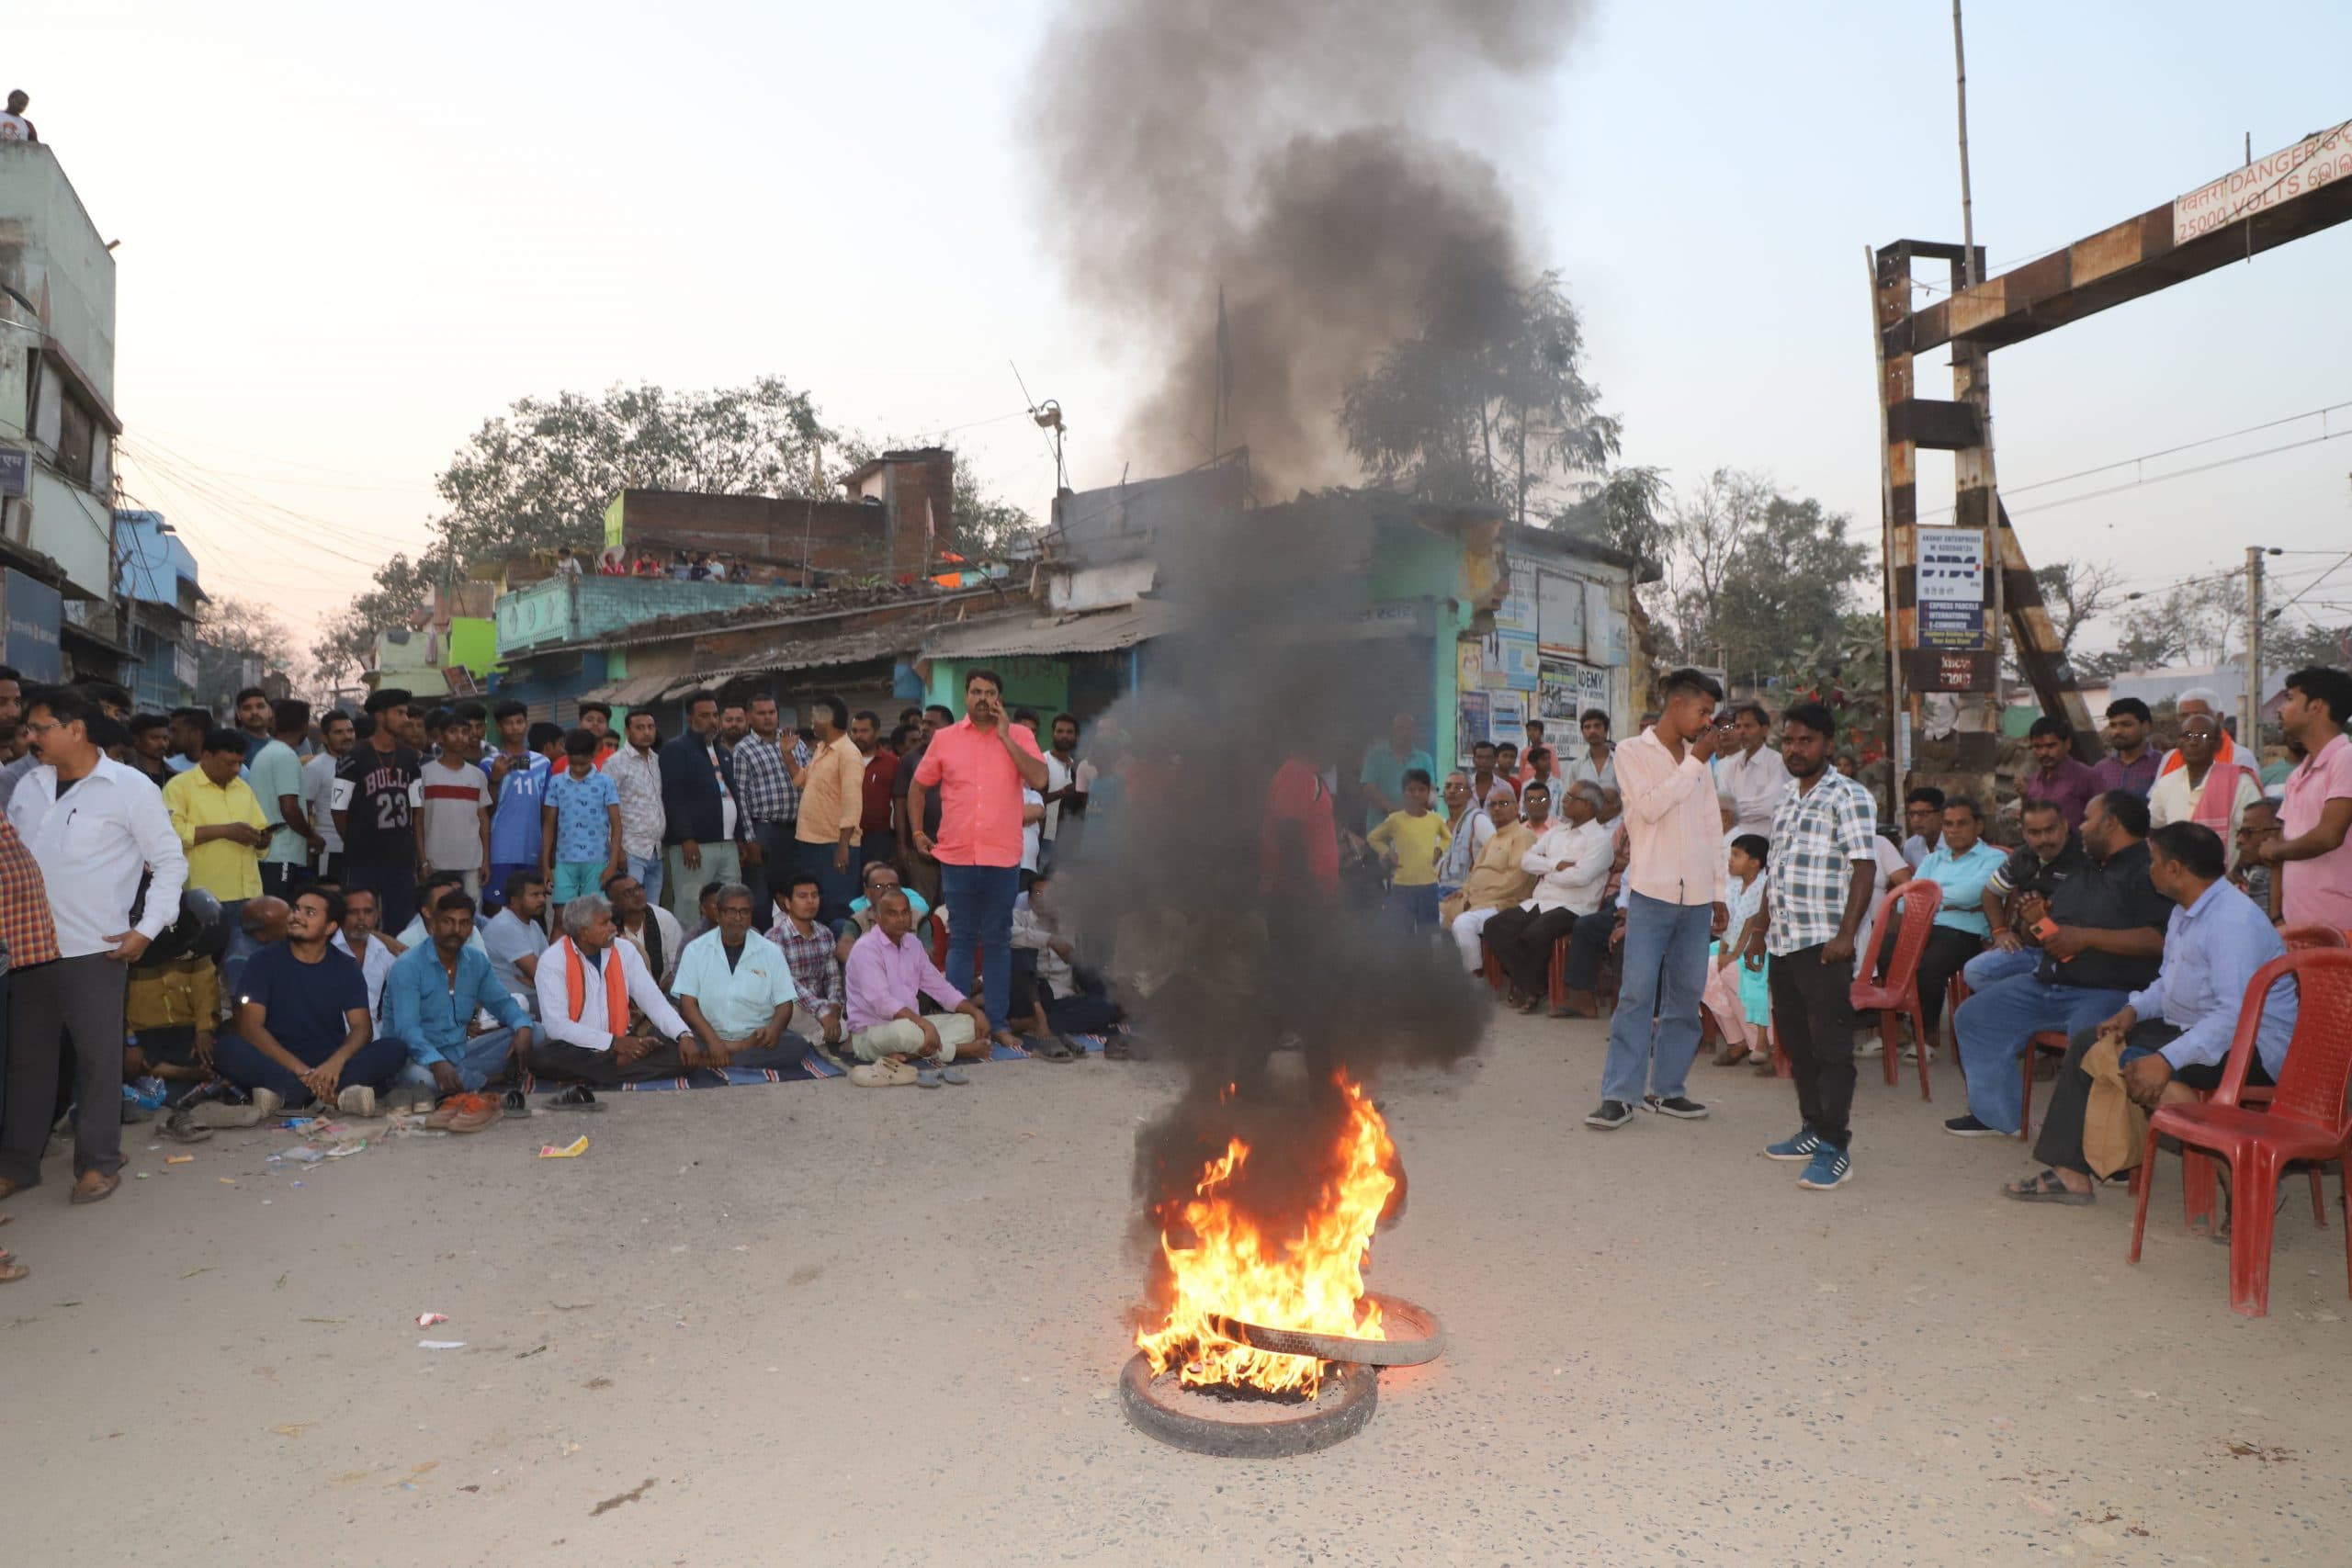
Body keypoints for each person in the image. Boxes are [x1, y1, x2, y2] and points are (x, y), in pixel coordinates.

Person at [2000, 822, 2296, 1206]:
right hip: (2203, 1028)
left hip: (2254, 1046)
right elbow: (2168, 984)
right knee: (2092, 1041)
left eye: (2153, 861)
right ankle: (2070, 1173)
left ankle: (2241, 1177)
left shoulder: (2232, 922)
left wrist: (2166, 1059)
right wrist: (2133, 1010)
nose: (2147, 869)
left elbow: (2233, 1017)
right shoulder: (2186, 910)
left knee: (2141, 1066)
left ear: (2174, 869)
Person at [1946, 789, 2170, 1138]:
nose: (2081, 827)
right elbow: (2048, 935)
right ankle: (1997, 1117)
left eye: (2088, 820)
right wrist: (2035, 923)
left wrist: (2088, 938)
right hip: (2051, 981)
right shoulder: (2087, 867)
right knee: (1975, 1016)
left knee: (2087, 1039)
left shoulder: (2149, 870)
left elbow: (2162, 939)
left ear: (2111, 824)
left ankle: (2092, 1142)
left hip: (2112, 991)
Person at [1746, 702, 1879, 1189]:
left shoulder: (1849, 796)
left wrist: (1845, 936)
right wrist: (1759, 931)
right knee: (1797, 1045)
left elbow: (1864, 866)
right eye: (1789, 740)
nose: (1795, 749)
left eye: (1806, 741)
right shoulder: (1786, 798)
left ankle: (1835, 1147)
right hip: (1783, 941)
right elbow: (1775, 871)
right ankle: (1812, 1128)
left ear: (1828, 744)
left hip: (1824, 944)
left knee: (1831, 1049)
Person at [1589, 670, 1726, 1131]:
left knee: (1685, 997)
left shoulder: (1699, 760)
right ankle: (1619, 1095)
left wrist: (1720, 892)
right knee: (1636, 994)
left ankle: (1668, 1090)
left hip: (1698, 898)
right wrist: (1696, 762)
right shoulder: (1632, 752)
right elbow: (1648, 808)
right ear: (1676, 705)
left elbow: (1712, 828)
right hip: (1651, 893)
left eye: (1711, 714)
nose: (1707, 722)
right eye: (1703, 711)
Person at [908, 669, 1049, 1055]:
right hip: (957, 855)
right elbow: (918, 787)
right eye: (975, 691)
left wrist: (1006, 736)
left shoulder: (1019, 736)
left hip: (1002, 856)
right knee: (962, 939)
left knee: (998, 940)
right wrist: (917, 832)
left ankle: (998, 1024)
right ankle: (961, 1025)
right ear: (966, 697)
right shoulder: (946, 739)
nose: (982, 698)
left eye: (989, 692)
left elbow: (1039, 779)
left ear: (999, 698)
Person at [211, 887, 407, 1118]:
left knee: (395, 1048)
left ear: (330, 927)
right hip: (277, 1059)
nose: (297, 916)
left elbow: (362, 1029)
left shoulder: (346, 966)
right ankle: (337, 1096)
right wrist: (302, 1071)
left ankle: (286, 1094)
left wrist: (335, 1063)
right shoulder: (262, 961)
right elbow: (251, 1028)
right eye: (296, 909)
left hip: (329, 1060)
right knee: (226, 1049)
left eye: (310, 913)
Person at [529, 893, 698, 1097]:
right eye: (605, 924)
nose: (613, 928)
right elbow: (557, 1027)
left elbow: (654, 1001)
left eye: (611, 921)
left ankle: (607, 1069)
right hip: (576, 1049)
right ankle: (617, 1065)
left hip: (623, 1041)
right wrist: (613, 1043)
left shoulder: (625, 950)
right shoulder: (552, 961)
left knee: (681, 1050)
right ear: (583, 932)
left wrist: (683, 1034)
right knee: (543, 1058)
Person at [1484, 780, 1610, 1010]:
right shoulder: (1557, 832)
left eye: (1570, 798)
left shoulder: (1600, 840)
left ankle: (1529, 988)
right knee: (1494, 926)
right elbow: (1527, 860)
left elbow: (1580, 878)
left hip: (1574, 907)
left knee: (1533, 935)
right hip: (1541, 902)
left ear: (1587, 805)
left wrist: (1546, 873)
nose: (1564, 801)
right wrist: (1555, 864)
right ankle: (1534, 986)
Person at [1896, 796, 2007, 1056]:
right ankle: (1893, 1028)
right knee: (1884, 952)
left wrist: (1931, 899)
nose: (1954, 830)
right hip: (1924, 927)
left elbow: (1972, 894)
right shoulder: (1933, 860)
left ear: (1979, 826)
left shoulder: (1994, 857)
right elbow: (1904, 902)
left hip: (1966, 933)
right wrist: (1946, 903)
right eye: (1948, 824)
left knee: (1929, 965)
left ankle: (1927, 1035)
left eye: (1962, 823)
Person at [842, 889, 987, 1081]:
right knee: (906, 1033)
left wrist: (976, 1013)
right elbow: (882, 1002)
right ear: (877, 918)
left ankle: (910, 1054)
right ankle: (958, 1050)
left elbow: (940, 988)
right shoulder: (866, 949)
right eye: (892, 913)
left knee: (969, 1024)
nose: (900, 919)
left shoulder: (913, 943)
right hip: (871, 1032)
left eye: (905, 912)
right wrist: (924, 1024)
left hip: (914, 1024)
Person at [672, 883, 813, 1072]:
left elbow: (785, 1003)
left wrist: (773, 1029)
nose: (738, 918)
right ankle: (731, 1054)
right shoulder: (695, 950)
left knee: (796, 1045)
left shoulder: (770, 951)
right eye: (731, 911)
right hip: (707, 1035)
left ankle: (712, 1060)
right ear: (718, 914)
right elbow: (687, 1005)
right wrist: (713, 1041)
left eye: (744, 912)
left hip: (756, 1038)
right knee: (671, 1041)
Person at [2256, 664, 2352, 932]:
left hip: (2341, 927)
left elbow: (2328, 836)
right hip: (2298, 929)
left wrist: (2275, 850)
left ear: (2316, 707)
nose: (2280, 709)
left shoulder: (2346, 758)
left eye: (2289, 698)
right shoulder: (2298, 774)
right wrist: (2277, 917)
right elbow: (2283, 843)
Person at [1968, 798, 2086, 993]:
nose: (2044, 839)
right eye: (2034, 833)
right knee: (1975, 971)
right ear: (2024, 833)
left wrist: (2038, 921)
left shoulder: (2084, 856)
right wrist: (2000, 932)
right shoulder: (2022, 856)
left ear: (2065, 825)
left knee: (2042, 982)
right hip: (2028, 947)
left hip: (2068, 951)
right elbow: (1990, 892)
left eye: (2050, 830)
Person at [334, 688, 424, 934]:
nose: (406, 719)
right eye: (399, 713)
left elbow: (417, 809)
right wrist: (354, 841)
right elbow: (338, 809)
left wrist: (421, 858)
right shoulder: (353, 757)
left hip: (401, 858)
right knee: (358, 922)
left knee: (402, 925)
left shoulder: (410, 757)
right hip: (362, 859)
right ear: (380, 716)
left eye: (406, 713)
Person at [659, 691, 749, 926]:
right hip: (695, 847)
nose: (712, 721)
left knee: (732, 903)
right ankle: (688, 949)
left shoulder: (722, 751)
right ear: (690, 719)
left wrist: (739, 837)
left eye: (715, 715)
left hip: (727, 844)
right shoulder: (676, 749)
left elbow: (732, 795)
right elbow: (673, 797)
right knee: (691, 905)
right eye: (705, 715)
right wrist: (686, 838)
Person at [163, 728, 269, 910]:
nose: (236, 769)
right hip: (206, 897)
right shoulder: (179, 787)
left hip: (250, 893)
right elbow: (171, 835)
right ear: (206, 756)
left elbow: (260, 830)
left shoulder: (243, 788)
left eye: (240, 763)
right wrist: (225, 831)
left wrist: (262, 840)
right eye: (229, 763)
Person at [2146, 712, 2263, 871]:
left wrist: (2238, 869)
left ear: (2218, 744)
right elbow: (2153, 827)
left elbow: (2256, 833)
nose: (2193, 742)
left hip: (2226, 879)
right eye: (2187, 736)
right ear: (2179, 742)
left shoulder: (2239, 782)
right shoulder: (2167, 783)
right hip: (2177, 880)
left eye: (2202, 736)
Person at [1444, 788, 1537, 974]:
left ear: (1516, 808)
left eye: (1503, 804)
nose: (1496, 809)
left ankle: (1474, 977)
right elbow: (1475, 873)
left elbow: (1516, 880)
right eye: (1492, 805)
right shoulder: (1492, 839)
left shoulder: (1523, 836)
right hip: (1475, 900)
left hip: (1503, 904)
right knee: (1433, 915)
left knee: (1464, 924)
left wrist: (1478, 898)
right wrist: (1463, 891)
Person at [731, 692, 801, 931]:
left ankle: (792, 943)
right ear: (749, 717)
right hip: (764, 830)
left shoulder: (794, 742)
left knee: (795, 894)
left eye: (772, 712)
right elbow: (740, 796)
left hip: (798, 831)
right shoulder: (744, 749)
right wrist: (749, 839)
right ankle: (760, 943)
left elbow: (810, 780)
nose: (768, 718)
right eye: (761, 713)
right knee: (761, 898)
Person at [789, 694, 864, 923]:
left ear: (827, 719)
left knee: (837, 908)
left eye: (814, 717)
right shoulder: (822, 748)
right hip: (810, 840)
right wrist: (786, 754)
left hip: (834, 844)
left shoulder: (848, 753)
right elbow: (801, 780)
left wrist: (843, 846)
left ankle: (841, 946)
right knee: (813, 907)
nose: (811, 723)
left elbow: (853, 803)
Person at [1704, 834, 1772, 1066]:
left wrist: (1731, 956)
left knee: (1731, 971)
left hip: (1758, 947)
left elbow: (1749, 926)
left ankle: (1760, 1041)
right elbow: (1729, 926)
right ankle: (1736, 1040)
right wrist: (1723, 952)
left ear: (1754, 863)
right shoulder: (1734, 887)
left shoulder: (1763, 885)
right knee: (1703, 969)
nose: (1730, 860)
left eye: (1736, 855)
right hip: (1732, 943)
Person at [764, 870, 846, 1050]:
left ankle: (805, 1039)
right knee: (788, 1011)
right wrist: (822, 1012)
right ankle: (809, 1038)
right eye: (802, 896)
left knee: (844, 1028)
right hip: (789, 1005)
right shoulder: (775, 936)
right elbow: (786, 982)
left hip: (818, 1005)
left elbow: (832, 977)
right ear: (788, 903)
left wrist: (834, 1005)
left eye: (814, 896)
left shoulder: (825, 933)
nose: (810, 901)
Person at [540, 728, 623, 908]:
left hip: (597, 860)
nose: (578, 769)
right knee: (561, 912)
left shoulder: (605, 783)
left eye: (583, 764)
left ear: (593, 755)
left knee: (593, 913)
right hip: (564, 860)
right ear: (566, 754)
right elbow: (549, 825)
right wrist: (545, 865)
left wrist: (612, 864)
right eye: (573, 763)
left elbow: (616, 825)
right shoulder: (557, 782)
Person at [482, 699, 549, 904]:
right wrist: (495, 780)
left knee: (531, 909)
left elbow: (547, 814)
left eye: (519, 722)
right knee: (497, 906)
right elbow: (485, 812)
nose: (515, 728)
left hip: (532, 849)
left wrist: (546, 854)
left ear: (526, 724)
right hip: (499, 852)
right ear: (499, 727)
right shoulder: (488, 763)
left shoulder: (542, 763)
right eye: (508, 723)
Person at [417, 718, 492, 898]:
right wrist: (422, 860)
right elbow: (417, 819)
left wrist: (485, 861)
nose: (460, 737)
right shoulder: (424, 774)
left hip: (471, 862)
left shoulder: (478, 776)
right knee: (437, 909)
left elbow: (483, 819)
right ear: (441, 738)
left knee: (471, 910)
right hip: (435, 862)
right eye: (453, 731)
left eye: (464, 732)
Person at [1367, 769, 1447, 931]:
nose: (1416, 794)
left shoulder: (1436, 820)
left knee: (1428, 932)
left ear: (1428, 793)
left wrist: (1439, 850)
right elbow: (1373, 838)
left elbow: (1447, 838)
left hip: (1429, 886)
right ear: (1404, 792)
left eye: (1422, 790)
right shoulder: (1396, 820)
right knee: (1401, 932)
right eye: (1411, 790)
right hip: (1402, 887)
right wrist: (1387, 852)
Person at [602, 709, 667, 906]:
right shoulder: (615, 763)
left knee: (652, 909)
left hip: (655, 849)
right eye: (640, 728)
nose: (646, 732)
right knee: (630, 906)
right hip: (630, 850)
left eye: (650, 727)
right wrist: (617, 850)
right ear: (627, 731)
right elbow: (605, 809)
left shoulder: (657, 760)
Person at [252, 700, 316, 898]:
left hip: (268, 853)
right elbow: (289, 808)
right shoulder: (286, 756)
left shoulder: (266, 753)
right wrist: (311, 836)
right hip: (281, 854)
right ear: (304, 726)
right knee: (280, 910)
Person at [893, 704, 954, 907]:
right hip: (920, 847)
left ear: (948, 728)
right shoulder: (910, 759)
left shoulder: (961, 756)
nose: (924, 728)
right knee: (921, 903)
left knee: (951, 904)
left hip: (955, 847)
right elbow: (900, 804)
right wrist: (903, 845)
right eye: (923, 723)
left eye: (931, 724)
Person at [1712, 702, 1789, 843]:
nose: (1742, 731)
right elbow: (1723, 807)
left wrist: (1734, 808)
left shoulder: (1777, 763)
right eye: (1738, 726)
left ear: (1764, 730)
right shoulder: (1730, 766)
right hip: (1732, 844)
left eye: (1748, 726)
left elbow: (1770, 807)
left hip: (1764, 844)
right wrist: (1748, 807)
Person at [602, 869, 684, 994]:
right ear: (613, 903)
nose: (637, 894)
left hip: (663, 991)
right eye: (628, 893)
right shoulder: (607, 927)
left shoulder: (664, 918)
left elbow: (679, 966)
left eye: (639, 888)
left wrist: (655, 993)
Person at [482, 870, 549, 1017]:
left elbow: (551, 967)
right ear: (514, 900)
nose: (542, 900)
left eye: (543, 894)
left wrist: (537, 981)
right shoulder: (505, 925)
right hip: (509, 1001)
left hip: (532, 995)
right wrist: (539, 980)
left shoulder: (533, 925)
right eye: (534, 895)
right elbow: (540, 973)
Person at [330, 884, 400, 1021]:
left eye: (368, 911)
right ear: (340, 915)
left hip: (372, 1032)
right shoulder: (324, 948)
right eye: (353, 912)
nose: (361, 918)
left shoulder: (383, 952)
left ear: (377, 915)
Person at [1358, 712, 1436, 834]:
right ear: (1392, 730)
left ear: (1414, 732)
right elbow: (1368, 788)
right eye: (1400, 728)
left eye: (1408, 729)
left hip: (1414, 830)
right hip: (1381, 830)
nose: (1404, 733)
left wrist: (1424, 808)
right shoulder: (1376, 755)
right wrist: (1392, 810)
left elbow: (1432, 791)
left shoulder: (1424, 759)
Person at [2020, 716, 2100, 831]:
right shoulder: (2034, 781)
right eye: (2038, 747)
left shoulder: (2087, 777)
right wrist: (2024, 796)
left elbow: (2101, 821)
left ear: (2067, 744)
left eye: (2051, 746)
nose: (2044, 752)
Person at [302, 707, 355, 881]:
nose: (347, 736)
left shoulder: (361, 763)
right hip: (329, 849)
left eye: (350, 731)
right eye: (338, 732)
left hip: (360, 850)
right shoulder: (315, 768)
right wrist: (311, 840)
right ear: (324, 737)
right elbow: (304, 808)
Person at [847, 709, 901, 874]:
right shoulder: (843, 760)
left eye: (864, 731)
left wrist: (899, 843)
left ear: (877, 732)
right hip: (845, 837)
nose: (858, 736)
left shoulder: (892, 763)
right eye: (854, 731)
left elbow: (899, 804)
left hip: (879, 839)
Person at [2089, 697, 2160, 797]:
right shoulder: (2101, 769)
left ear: (2145, 727)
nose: (2117, 731)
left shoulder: (2162, 765)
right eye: (2113, 725)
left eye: (2126, 725)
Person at [2232, 798, 2283, 920]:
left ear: (2278, 832)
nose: (2239, 840)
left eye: (2249, 832)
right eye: (2239, 832)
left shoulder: (2265, 877)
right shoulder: (2247, 873)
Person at [1564, 708, 1618, 795]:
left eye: (1597, 726)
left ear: (1606, 730)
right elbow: (1568, 797)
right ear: (1583, 733)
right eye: (1587, 727)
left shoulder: (1620, 763)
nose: (1592, 731)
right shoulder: (1576, 766)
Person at [1898, 785, 1944, 869]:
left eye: (1923, 814)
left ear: (1941, 815)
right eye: (1912, 814)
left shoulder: (1956, 844)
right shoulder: (1910, 846)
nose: (1915, 820)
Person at [1466, 740, 1517, 813]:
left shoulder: (1505, 787)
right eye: (1480, 757)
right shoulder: (1465, 784)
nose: (1484, 761)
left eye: (1488, 757)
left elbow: (1512, 813)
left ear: (1495, 760)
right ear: (1474, 760)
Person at [232, 685, 273, 765]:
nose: (254, 712)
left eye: (260, 706)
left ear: (270, 711)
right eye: (247, 708)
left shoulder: (278, 744)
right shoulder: (231, 745)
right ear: (238, 714)